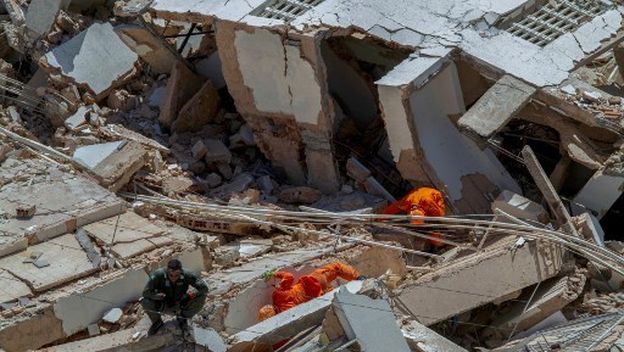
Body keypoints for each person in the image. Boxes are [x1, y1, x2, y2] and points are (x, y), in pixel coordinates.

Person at [258, 261, 362, 321]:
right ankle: (359, 278)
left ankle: (361, 296)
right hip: (315, 280)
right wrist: (274, 274)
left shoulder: (286, 317)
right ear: (269, 307)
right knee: (337, 267)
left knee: (343, 299)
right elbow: (289, 276)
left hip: (321, 296)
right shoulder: (278, 295)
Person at [141, 259, 208, 336]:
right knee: (145, 301)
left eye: (177, 275)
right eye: (171, 275)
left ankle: (183, 318)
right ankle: (157, 322)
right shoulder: (158, 275)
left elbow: (204, 288)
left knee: (202, 296)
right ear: (167, 271)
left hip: (180, 302)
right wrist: (157, 296)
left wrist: (189, 295)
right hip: (163, 303)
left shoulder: (187, 275)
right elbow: (145, 293)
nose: (173, 278)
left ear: (181, 271)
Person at [381, 187, 447, 247]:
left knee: (439, 217)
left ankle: (437, 240)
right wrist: (381, 218)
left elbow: (439, 216)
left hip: (431, 195)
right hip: (418, 193)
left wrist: (437, 231)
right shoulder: (406, 202)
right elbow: (392, 208)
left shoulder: (430, 204)